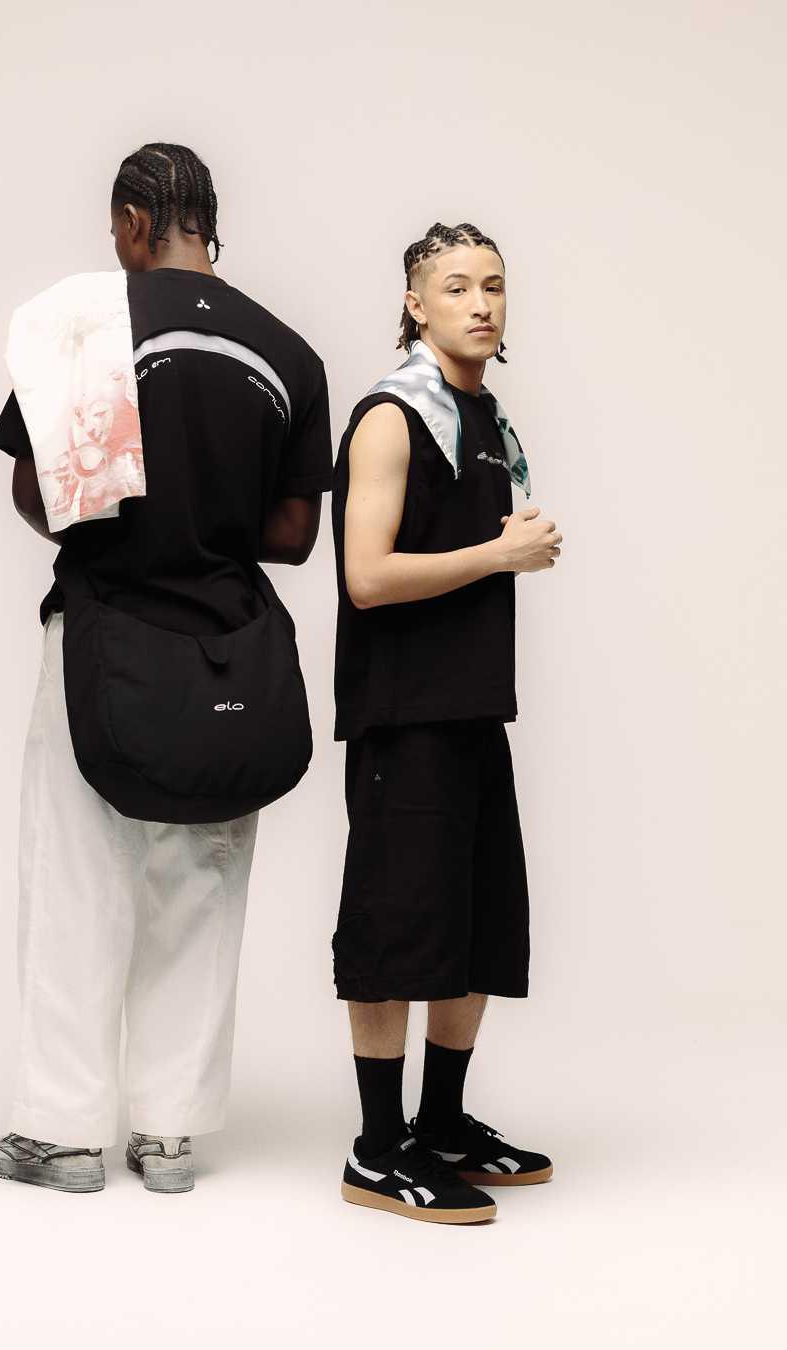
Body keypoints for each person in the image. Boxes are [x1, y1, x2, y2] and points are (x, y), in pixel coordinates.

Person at [0, 142, 332, 1195]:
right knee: (201, 882)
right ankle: (170, 1138)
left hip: (105, 629)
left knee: (78, 878)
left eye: (116, 231)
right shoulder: (289, 352)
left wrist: (132, 503)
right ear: (205, 223)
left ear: (135, 223)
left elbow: (36, 495)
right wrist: (209, 515)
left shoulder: (87, 328)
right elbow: (294, 534)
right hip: (227, 648)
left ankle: (61, 1135)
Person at [330, 222, 562, 1224]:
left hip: (470, 707)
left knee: (474, 919)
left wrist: (499, 547)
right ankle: (378, 1150)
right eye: (457, 286)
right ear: (414, 304)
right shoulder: (393, 416)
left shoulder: (482, 417)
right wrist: (498, 556)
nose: (481, 303)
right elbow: (366, 575)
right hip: (402, 714)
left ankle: (442, 1123)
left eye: (494, 285)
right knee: (395, 927)